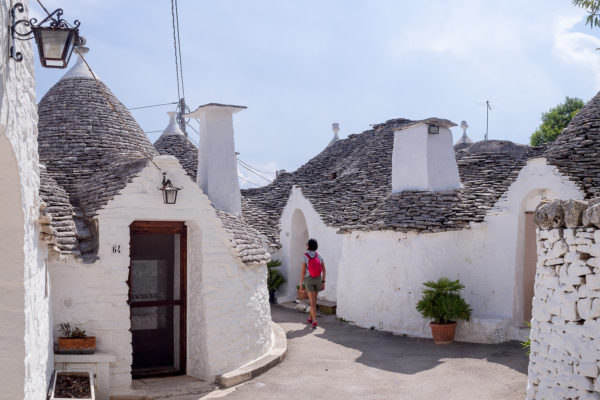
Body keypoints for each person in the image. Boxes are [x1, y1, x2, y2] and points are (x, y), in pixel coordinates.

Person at [300, 238, 326, 329]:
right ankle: (310, 317)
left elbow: (303, 271)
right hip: (318, 279)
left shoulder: (305, 256)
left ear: (309, 245)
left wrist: (301, 284)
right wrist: (323, 282)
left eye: (307, 244)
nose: (306, 245)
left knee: (312, 302)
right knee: (314, 300)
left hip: (309, 279)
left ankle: (315, 321)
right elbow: (324, 270)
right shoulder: (320, 255)